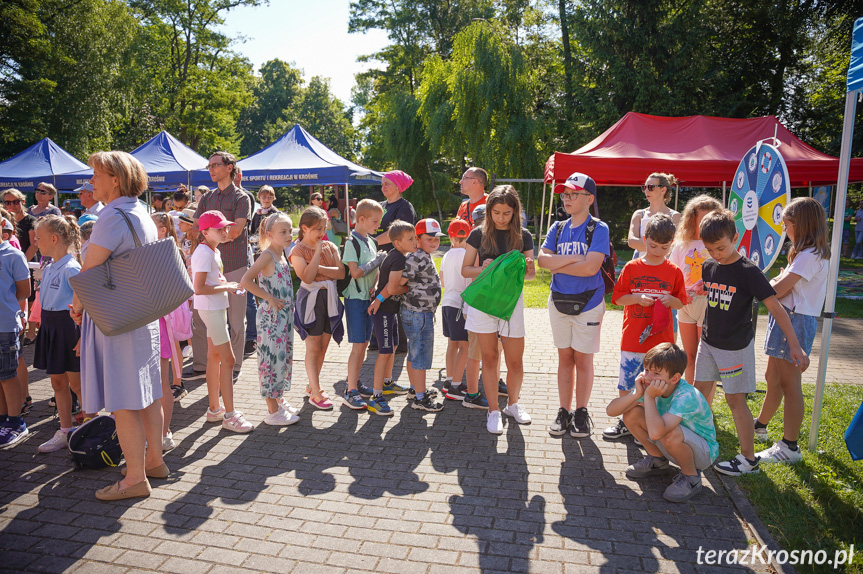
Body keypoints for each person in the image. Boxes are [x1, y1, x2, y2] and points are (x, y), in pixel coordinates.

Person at [69, 151, 166, 500]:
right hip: (143, 313)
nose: (90, 181)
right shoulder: (141, 211)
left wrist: (77, 307)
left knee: (124, 399)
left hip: (119, 316)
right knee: (147, 393)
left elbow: (90, 269)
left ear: (115, 178)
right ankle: (154, 460)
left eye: (95, 174)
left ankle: (135, 479)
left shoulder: (112, 216)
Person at [693, 209, 809, 476]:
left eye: (721, 247)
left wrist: (793, 343)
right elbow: (715, 293)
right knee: (699, 395)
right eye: (710, 249)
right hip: (708, 342)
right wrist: (699, 289)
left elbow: (776, 308)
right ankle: (696, 443)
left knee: (735, 400)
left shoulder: (749, 271)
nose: (716, 254)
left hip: (735, 348)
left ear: (735, 237)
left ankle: (748, 459)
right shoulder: (709, 266)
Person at [754, 198, 830, 464]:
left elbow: (777, 288)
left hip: (795, 320)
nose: (785, 230)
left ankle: (789, 446)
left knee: (790, 384)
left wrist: (763, 283)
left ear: (801, 225)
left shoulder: (810, 256)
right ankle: (760, 424)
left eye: (786, 225)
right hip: (787, 317)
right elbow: (780, 284)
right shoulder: (807, 254)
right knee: (771, 377)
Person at [537, 173, 608, 439]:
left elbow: (592, 268)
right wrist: (577, 257)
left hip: (588, 303)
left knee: (583, 359)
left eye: (573, 194)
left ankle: (581, 412)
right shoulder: (557, 228)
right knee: (565, 359)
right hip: (558, 301)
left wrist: (561, 260)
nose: (567, 198)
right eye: (565, 194)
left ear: (589, 198)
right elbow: (543, 262)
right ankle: (564, 411)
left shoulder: (598, 228)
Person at [604, 214, 687, 440]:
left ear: (672, 244)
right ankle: (626, 422)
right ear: (644, 238)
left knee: (659, 383)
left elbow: (682, 301)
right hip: (633, 339)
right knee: (628, 381)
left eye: (664, 247)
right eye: (652, 246)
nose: (658, 251)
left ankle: (651, 424)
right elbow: (618, 299)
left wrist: (672, 302)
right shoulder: (632, 267)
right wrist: (637, 298)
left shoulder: (674, 271)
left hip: (661, 344)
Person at [461, 185, 536, 434]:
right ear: (490, 210)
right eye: (496, 212)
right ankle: (494, 410)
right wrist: (486, 268)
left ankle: (512, 405)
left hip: (511, 304)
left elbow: (532, 275)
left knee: (515, 361)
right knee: (490, 358)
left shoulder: (524, 235)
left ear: (515, 211)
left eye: (506, 213)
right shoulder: (477, 234)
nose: (501, 218)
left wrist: (525, 267)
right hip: (483, 304)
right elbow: (465, 270)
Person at [607, 343, 718, 503]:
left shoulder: (686, 395)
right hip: (673, 441)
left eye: (656, 373)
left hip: (703, 453)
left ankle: (691, 477)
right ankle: (657, 461)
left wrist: (649, 398)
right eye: (647, 370)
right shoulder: (651, 386)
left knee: (668, 432)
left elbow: (656, 433)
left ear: (674, 378)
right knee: (631, 414)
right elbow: (611, 411)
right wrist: (637, 394)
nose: (648, 377)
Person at [191, 152, 252, 381]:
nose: (211, 169)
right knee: (200, 316)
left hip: (234, 263)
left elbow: (236, 230)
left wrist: (212, 236)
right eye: (209, 165)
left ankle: (234, 366)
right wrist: (215, 236)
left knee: (236, 319)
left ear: (230, 167)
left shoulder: (241, 197)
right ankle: (200, 366)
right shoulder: (207, 198)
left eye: (215, 165)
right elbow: (196, 228)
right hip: (209, 263)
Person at [192, 210, 253, 433]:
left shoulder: (211, 250)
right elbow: (198, 288)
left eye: (225, 227)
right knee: (229, 360)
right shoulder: (205, 252)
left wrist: (225, 284)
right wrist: (227, 286)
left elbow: (210, 281)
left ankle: (215, 409)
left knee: (215, 357)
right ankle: (229, 415)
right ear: (205, 232)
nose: (225, 231)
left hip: (216, 307)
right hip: (212, 309)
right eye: (219, 229)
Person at [240, 211, 300, 426]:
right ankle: (272, 411)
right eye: (283, 232)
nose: (288, 235)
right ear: (270, 234)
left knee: (281, 361)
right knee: (270, 361)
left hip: (283, 319)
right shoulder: (267, 255)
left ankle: (278, 399)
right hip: (271, 319)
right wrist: (269, 298)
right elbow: (246, 280)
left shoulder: (282, 254)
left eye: (289, 230)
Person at [33, 216, 82, 453]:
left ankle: (91, 425)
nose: (35, 241)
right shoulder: (50, 266)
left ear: (54, 239)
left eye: (39, 237)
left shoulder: (72, 268)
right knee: (57, 381)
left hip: (68, 326)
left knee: (78, 384)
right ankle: (65, 429)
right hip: (50, 325)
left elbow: (87, 305)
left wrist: (83, 335)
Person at [290, 206, 345, 411]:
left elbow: (340, 274)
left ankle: (312, 385)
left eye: (324, 227)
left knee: (323, 346)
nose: (323, 233)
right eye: (318, 229)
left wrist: (319, 266)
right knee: (312, 347)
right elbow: (306, 277)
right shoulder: (297, 250)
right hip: (310, 300)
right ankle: (316, 391)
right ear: (305, 228)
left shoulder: (331, 246)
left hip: (329, 298)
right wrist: (317, 253)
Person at [668, 195, 723, 384]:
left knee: (705, 358)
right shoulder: (681, 245)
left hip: (709, 304)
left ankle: (704, 406)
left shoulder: (719, 245)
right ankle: (691, 403)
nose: (706, 224)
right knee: (689, 357)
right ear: (692, 220)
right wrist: (680, 292)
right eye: (702, 220)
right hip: (685, 304)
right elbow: (673, 275)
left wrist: (709, 285)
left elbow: (727, 273)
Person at [341, 199, 386, 410]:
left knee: (364, 344)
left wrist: (375, 285)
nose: (378, 226)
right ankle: (350, 391)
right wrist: (376, 261)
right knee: (358, 346)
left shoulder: (371, 241)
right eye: (375, 222)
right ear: (361, 219)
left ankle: (355, 382)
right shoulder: (352, 242)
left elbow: (373, 274)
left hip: (368, 299)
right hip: (355, 300)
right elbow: (356, 272)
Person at [367, 220, 414, 415]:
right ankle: (376, 397)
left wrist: (377, 291)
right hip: (384, 311)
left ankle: (387, 383)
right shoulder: (399, 259)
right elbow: (393, 287)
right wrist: (409, 288)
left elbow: (383, 278)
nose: (415, 241)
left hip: (390, 310)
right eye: (410, 239)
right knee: (385, 352)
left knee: (393, 346)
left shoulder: (398, 256)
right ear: (397, 243)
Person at [151, 213, 190, 450]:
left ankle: (164, 432)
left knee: (163, 384)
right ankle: (153, 430)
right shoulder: (145, 251)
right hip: (145, 323)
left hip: (161, 322)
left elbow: (180, 289)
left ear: (163, 229)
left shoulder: (170, 252)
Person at [399, 218, 446, 412]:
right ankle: (420, 398)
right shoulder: (417, 257)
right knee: (420, 356)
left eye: (437, 239)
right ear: (417, 239)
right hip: (418, 314)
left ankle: (415, 389)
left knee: (415, 353)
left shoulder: (423, 255)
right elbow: (401, 281)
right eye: (429, 238)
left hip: (421, 313)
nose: (434, 242)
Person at [0, 219, 30, 448]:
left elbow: (24, 290)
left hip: (5, 324)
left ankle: (16, 422)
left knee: (8, 375)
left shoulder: (12, 254)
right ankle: (3, 420)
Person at [440, 219, 476, 403]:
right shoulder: (468, 255)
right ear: (468, 235)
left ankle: (448, 380)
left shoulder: (446, 255)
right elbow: (470, 281)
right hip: (461, 305)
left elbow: (443, 281)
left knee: (452, 344)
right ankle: (455, 385)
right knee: (465, 346)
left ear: (451, 236)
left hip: (447, 302)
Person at [628, 173, 681, 259]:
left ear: (663, 190)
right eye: (644, 187)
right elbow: (631, 242)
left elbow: (675, 245)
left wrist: (646, 245)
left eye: (650, 187)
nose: (646, 191)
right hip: (640, 265)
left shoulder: (675, 216)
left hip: (664, 265)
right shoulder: (639, 214)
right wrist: (661, 247)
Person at [374, 170, 417, 251]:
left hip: (393, 257)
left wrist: (372, 242)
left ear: (397, 186)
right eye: (382, 184)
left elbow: (398, 233)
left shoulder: (405, 207)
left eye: (387, 184)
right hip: (376, 254)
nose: (383, 187)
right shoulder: (379, 205)